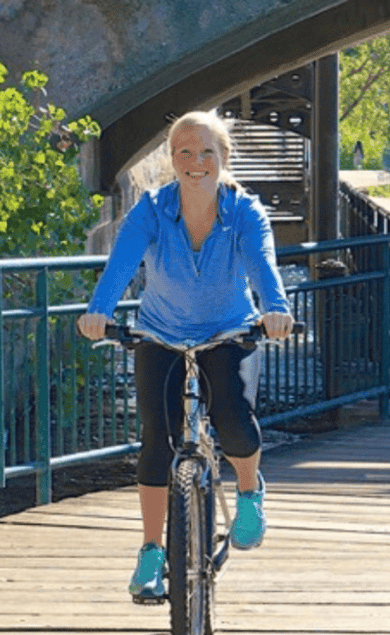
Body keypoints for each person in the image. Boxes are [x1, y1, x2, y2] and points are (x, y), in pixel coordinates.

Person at [77, 110, 293, 603]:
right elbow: (121, 264)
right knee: (158, 437)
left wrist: (276, 310)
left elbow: (263, 265)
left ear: (223, 159)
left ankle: (248, 491)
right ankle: (152, 551)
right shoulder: (152, 210)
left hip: (228, 330)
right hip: (162, 333)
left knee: (235, 416)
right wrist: (98, 312)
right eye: (184, 152)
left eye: (206, 152)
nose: (196, 162)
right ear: (172, 160)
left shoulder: (244, 211)